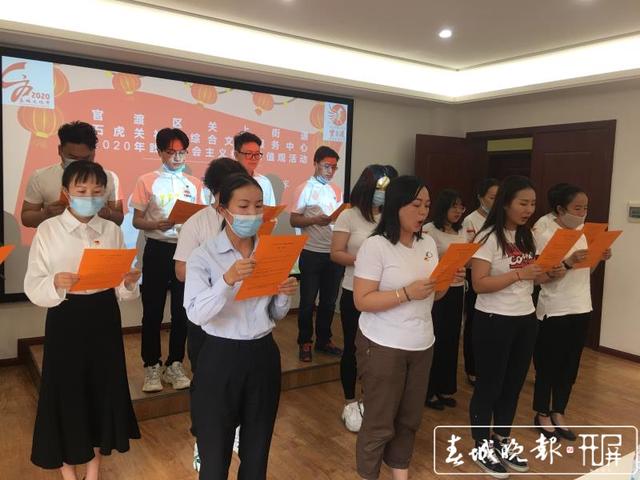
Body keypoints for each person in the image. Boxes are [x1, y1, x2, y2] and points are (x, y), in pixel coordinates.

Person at [24, 160, 140, 480]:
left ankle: (93, 468)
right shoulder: (48, 230)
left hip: (104, 315)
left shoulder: (112, 230)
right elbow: (33, 284)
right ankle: (67, 471)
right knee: (66, 390)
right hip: (66, 315)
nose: (90, 197)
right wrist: (55, 282)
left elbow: (122, 291)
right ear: (66, 192)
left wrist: (129, 281)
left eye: (97, 191)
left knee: (101, 387)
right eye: (82, 190)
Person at [184, 173, 298, 479]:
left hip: (262, 354)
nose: (253, 214)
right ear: (223, 209)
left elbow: (275, 314)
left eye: (258, 206)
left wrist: (284, 294)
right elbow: (196, 314)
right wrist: (227, 280)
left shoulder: (270, 251)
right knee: (214, 452)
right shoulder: (204, 255)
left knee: (257, 449)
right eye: (244, 206)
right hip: (219, 357)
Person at [353, 175, 464, 480]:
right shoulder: (375, 246)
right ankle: (368, 474)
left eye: (427, 205)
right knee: (379, 421)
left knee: (409, 419)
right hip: (383, 344)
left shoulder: (427, 242)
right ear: (396, 206)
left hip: (422, 342)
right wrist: (405, 293)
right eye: (416, 205)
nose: (423, 212)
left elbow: (433, 295)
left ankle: (400, 473)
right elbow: (362, 300)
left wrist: (446, 281)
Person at [469, 175, 557, 478]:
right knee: (489, 386)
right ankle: (481, 447)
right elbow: (479, 284)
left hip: (525, 318)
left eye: (533, 204)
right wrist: (520, 274)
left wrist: (551, 272)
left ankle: (502, 440)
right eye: (523, 203)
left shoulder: (526, 236)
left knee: (513, 385)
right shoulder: (487, 237)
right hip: (493, 319)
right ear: (506, 203)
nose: (529, 209)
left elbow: (535, 277)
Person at [173, 157, 247, 469]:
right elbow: (180, 271)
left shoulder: (250, 223)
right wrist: (221, 276)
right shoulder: (197, 223)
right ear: (215, 193)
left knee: (240, 381)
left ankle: (236, 432)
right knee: (205, 382)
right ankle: (201, 439)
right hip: (207, 319)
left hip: (242, 319)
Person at [533, 184, 612, 441]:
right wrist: (568, 262)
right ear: (560, 209)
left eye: (585, 208)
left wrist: (598, 256)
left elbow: (587, 271)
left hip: (581, 305)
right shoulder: (545, 232)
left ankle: (559, 411)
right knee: (548, 364)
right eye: (577, 208)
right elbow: (540, 278)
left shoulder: (583, 232)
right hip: (555, 308)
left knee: (570, 365)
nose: (582, 213)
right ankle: (542, 413)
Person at [132, 127, 207, 393]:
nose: (177, 157)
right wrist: (155, 224)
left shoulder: (194, 183)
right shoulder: (147, 180)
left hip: (186, 251)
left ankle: (175, 363)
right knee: (152, 311)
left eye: (182, 152)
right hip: (157, 249)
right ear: (160, 152)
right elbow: (136, 220)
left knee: (182, 311)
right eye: (171, 152)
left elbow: (201, 216)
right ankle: (151, 365)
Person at [330, 164, 396, 433]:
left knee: (380, 350)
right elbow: (336, 253)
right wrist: (366, 261)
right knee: (353, 348)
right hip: (354, 291)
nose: (384, 194)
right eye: (381, 188)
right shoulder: (350, 216)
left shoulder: (392, 217)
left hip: (386, 294)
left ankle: (371, 399)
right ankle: (350, 402)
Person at [290, 146, 345, 362]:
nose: (330, 171)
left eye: (334, 167)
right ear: (315, 164)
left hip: (334, 253)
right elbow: (294, 220)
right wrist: (314, 220)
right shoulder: (304, 188)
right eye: (326, 166)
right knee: (307, 302)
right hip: (311, 252)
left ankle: (324, 340)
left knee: (329, 302)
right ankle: (305, 342)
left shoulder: (336, 190)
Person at [21, 121, 123, 228]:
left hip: (97, 237)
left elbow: (119, 218)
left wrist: (108, 214)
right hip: (55, 236)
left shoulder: (110, 178)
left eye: (85, 158)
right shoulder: (40, 177)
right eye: (73, 157)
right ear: (60, 150)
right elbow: (26, 218)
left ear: (93, 152)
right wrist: (46, 214)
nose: (79, 163)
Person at [423, 189, 468, 410]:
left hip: (457, 289)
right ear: (443, 208)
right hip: (437, 289)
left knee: (451, 339)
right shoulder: (429, 230)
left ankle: (444, 388)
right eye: (454, 207)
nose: (458, 211)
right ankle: (428, 390)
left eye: (461, 207)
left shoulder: (462, 231)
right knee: (436, 338)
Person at [461, 177, 499, 386]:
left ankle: (489, 365)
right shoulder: (471, 220)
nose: (496, 201)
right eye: (492, 197)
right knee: (474, 322)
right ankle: (472, 367)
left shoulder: (501, 219)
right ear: (480, 198)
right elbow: (465, 255)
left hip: (497, 277)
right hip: (475, 275)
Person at [233, 131, 276, 206]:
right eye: (248, 153)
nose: (253, 158)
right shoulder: (225, 179)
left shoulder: (264, 182)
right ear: (236, 155)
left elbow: (270, 210)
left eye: (257, 154)